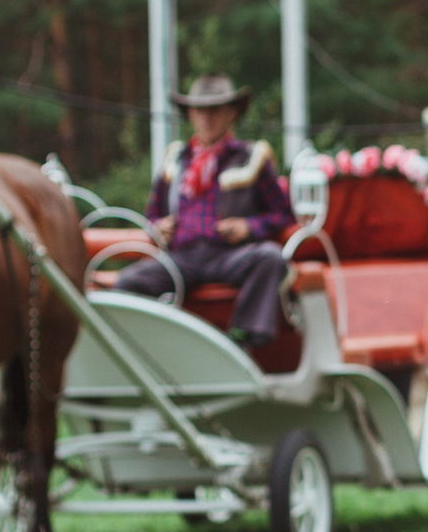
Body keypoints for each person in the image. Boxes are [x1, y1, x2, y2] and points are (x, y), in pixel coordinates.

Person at [116, 73, 295, 351]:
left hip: (228, 256)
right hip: (182, 258)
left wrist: (248, 227)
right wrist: (158, 226)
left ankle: (240, 340)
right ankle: (145, 350)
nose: (207, 118)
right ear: (191, 115)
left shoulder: (251, 157)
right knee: (127, 282)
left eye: (215, 110)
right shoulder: (175, 159)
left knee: (270, 258)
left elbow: (282, 214)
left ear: (231, 114)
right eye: (200, 110)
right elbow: (151, 214)